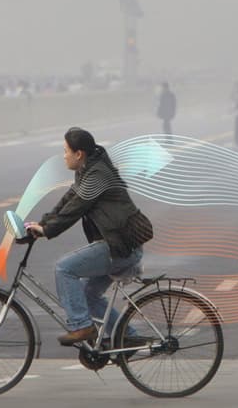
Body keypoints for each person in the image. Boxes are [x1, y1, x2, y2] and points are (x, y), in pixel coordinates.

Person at [26, 127, 153, 345]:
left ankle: (81, 327)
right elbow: (68, 200)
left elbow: (76, 208)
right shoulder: (88, 169)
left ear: (79, 154)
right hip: (119, 245)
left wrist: (48, 230)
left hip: (120, 247)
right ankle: (128, 337)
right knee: (88, 296)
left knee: (64, 268)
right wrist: (43, 223)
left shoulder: (97, 175)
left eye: (66, 151)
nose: (64, 156)